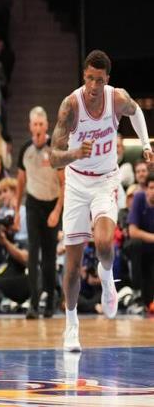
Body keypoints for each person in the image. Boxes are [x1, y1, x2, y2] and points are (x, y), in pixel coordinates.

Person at [49, 50, 152, 352]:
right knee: (72, 265)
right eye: (89, 79)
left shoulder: (116, 98)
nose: (94, 86)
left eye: (99, 80)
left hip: (106, 180)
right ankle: (71, 327)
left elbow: (136, 111)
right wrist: (74, 153)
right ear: (84, 76)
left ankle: (107, 279)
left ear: (107, 79)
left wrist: (145, 144)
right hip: (77, 183)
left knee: (106, 244)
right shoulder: (70, 106)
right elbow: (53, 158)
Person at [16, 106, 64, 319]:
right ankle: (33, 304)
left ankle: (50, 302)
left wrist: (57, 211)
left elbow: (64, 184)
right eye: (34, 124)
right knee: (33, 253)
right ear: (30, 126)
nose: (37, 128)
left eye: (41, 124)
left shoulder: (55, 149)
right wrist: (17, 211)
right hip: (33, 204)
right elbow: (20, 182)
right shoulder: (25, 150)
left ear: (46, 126)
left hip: (52, 204)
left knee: (49, 256)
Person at [127, 172, 154, 310]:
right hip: (138, 249)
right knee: (136, 243)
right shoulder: (138, 198)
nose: (153, 191)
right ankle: (136, 293)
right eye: (151, 187)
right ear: (146, 189)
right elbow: (133, 231)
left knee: (149, 299)